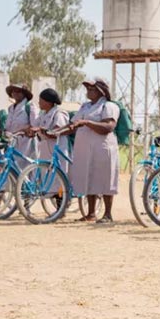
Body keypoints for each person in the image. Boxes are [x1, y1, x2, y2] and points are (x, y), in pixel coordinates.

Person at [66, 77, 119, 223]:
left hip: (103, 147)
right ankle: (91, 213)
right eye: (87, 89)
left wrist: (87, 122)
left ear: (101, 91)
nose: (88, 92)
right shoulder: (85, 107)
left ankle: (108, 214)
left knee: (105, 179)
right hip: (86, 148)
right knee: (90, 178)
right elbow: (72, 124)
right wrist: (53, 131)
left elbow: (108, 127)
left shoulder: (108, 106)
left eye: (92, 89)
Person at [28, 88, 70, 195]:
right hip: (45, 149)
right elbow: (35, 125)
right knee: (48, 178)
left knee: (58, 178)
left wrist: (41, 130)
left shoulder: (59, 113)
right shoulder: (43, 114)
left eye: (41, 100)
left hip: (57, 148)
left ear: (49, 102)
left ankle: (62, 204)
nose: (39, 102)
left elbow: (57, 131)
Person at [4, 83, 38, 160]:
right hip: (11, 142)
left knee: (24, 168)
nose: (15, 93)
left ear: (24, 93)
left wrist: (23, 130)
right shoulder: (10, 108)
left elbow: (34, 126)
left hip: (26, 144)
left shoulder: (30, 106)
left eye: (18, 91)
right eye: (13, 91)